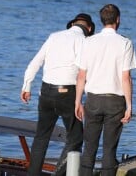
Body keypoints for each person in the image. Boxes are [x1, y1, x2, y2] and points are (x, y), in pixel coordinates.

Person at [21, 13, 95, 176]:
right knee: (75, 138)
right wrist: (86, 98)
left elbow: (36, 61)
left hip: (46, 91)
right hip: (68, 93)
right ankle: (60, 173)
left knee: (41, 137)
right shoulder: (85, 41)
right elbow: (85, 73)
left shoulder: (54, 37)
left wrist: (27, 85)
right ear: (89, 28)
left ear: (72, 24)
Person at [75, 4, 136, 176]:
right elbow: (126, 78)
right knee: (109, 150)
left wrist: (78, 101)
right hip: (115, 101)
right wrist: (129, 106)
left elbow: (81, 75)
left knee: (89, 148)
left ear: (101, 20)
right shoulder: (126, 43)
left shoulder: (89, 42)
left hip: (93, 99)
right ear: (117, 20)